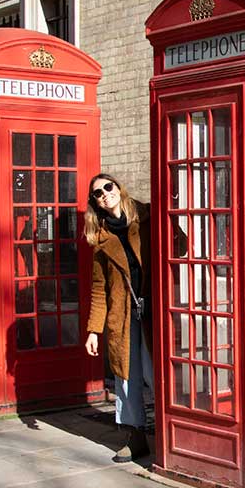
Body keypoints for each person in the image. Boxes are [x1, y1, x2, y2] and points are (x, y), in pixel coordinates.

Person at [84, 173, 153, 463]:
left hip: (154, 310)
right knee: (126, 377)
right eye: (98, 194)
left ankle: (174, 433)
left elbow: (182, 246)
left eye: (107, 187)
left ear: (119, 187)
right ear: (95, 203)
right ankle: (134, 437)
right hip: (122, 316)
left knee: (156, 374)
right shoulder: (99, 239)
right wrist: (92, 330)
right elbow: (99, 289)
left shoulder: (148, 218)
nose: (104, 194)